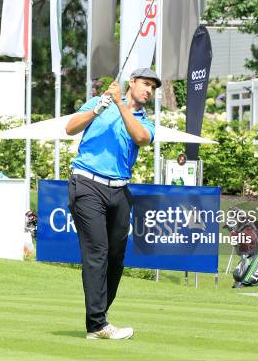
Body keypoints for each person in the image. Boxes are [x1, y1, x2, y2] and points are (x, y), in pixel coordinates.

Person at [65, 67, 159, 340]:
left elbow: (140, 138)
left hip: (119, 191)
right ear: (132, 82)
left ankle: (98, 318)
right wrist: (98, 108)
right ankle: (97, 325)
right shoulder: (98, 102)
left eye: (152, 88)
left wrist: (119, 103)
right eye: (145, 84)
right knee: (97, 252)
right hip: (86, 184)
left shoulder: (144, 120)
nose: (148, 90)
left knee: (116, 258)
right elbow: (70, 128)